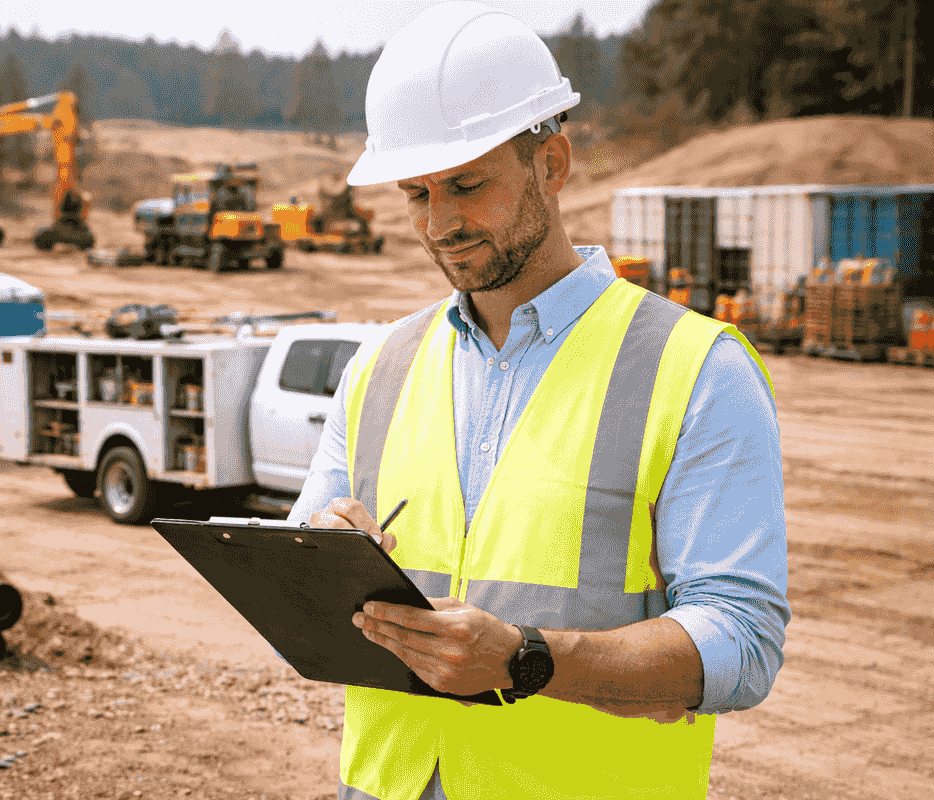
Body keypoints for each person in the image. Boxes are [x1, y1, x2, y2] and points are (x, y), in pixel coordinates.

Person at [286, 2, 790, 799]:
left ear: (552, 164)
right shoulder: (379, 364)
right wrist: (319, 547)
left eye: (466, 184)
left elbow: (743, 643)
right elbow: (299, 565)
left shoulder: (696, 369)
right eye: (416, 192)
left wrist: (529, 659)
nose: (440, 222)